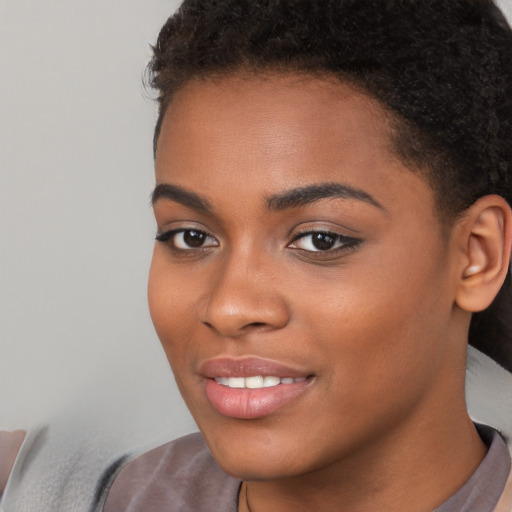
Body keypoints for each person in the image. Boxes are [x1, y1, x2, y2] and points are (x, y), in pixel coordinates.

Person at [2, 1, 512, 511]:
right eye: (191, 237)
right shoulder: (57, 494)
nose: (228, 307)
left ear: (477, 255)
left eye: (320, 240)